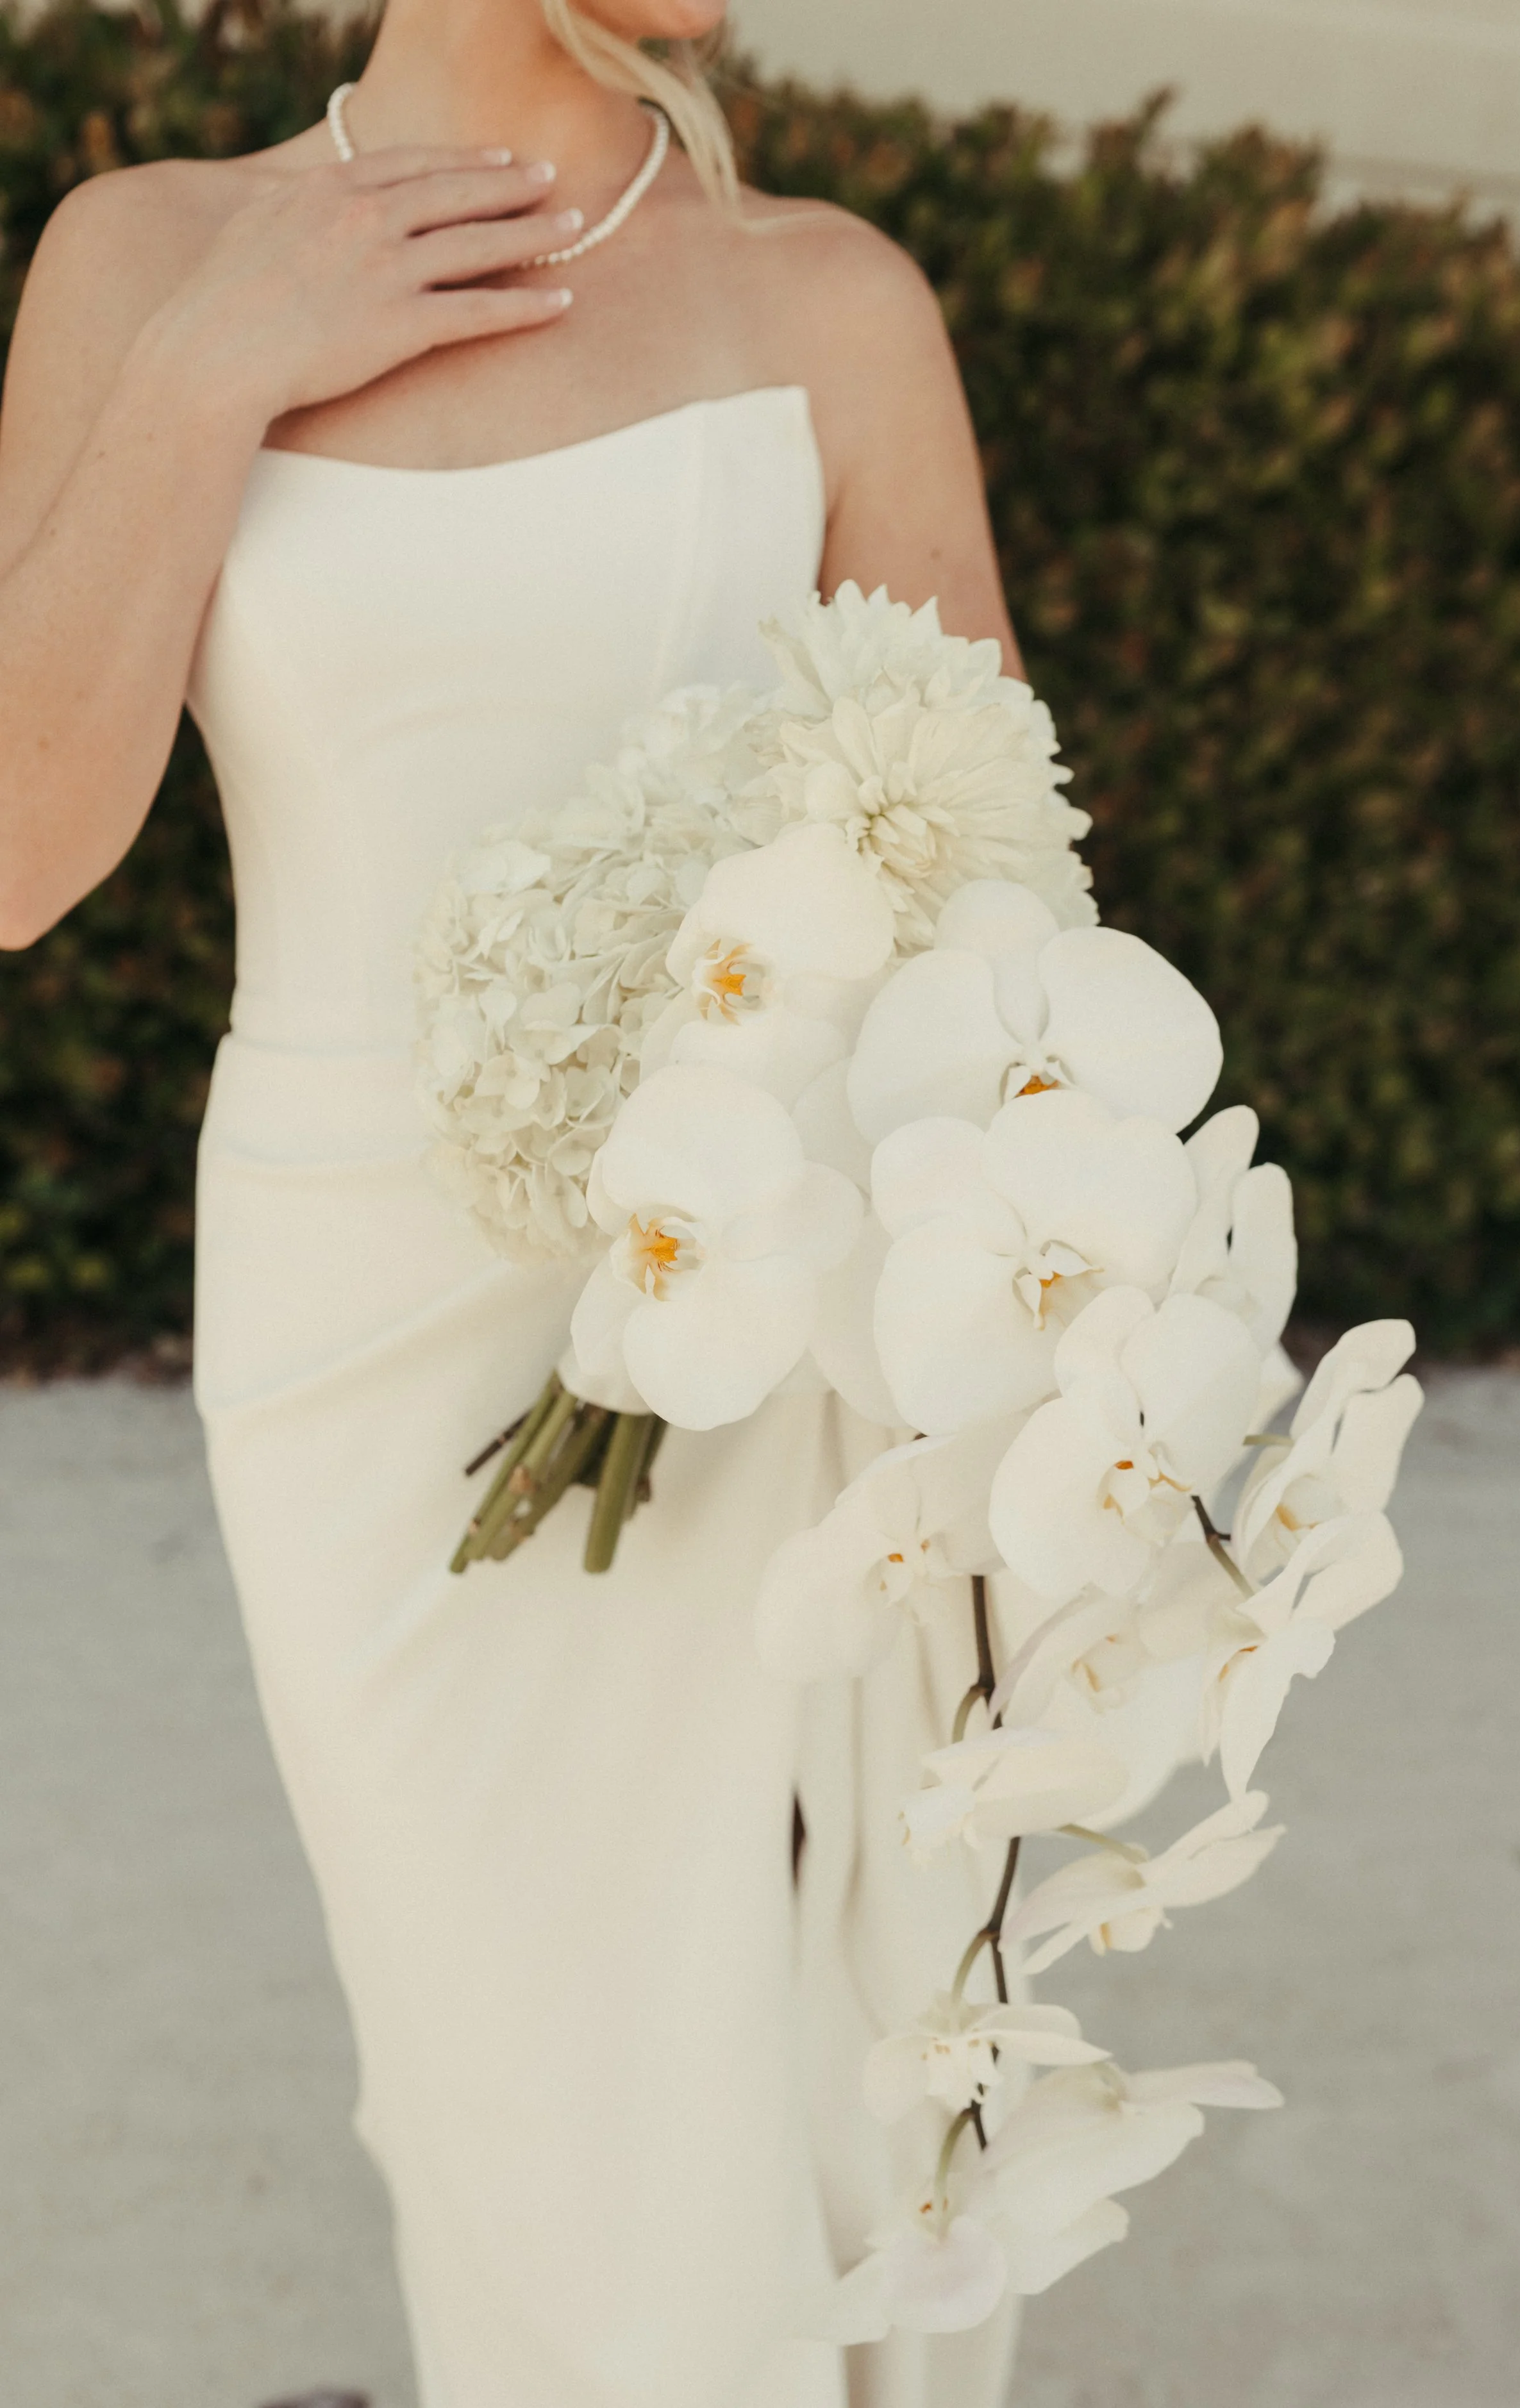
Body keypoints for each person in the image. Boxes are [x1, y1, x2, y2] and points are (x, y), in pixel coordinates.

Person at [0, 6, 1023, 2402]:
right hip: (356, 1332)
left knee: (783, 2088)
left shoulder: (828, 298)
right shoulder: (147, 249)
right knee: (518, 2102)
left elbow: (985, 870)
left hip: (769, 1313)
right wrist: (207, 378)